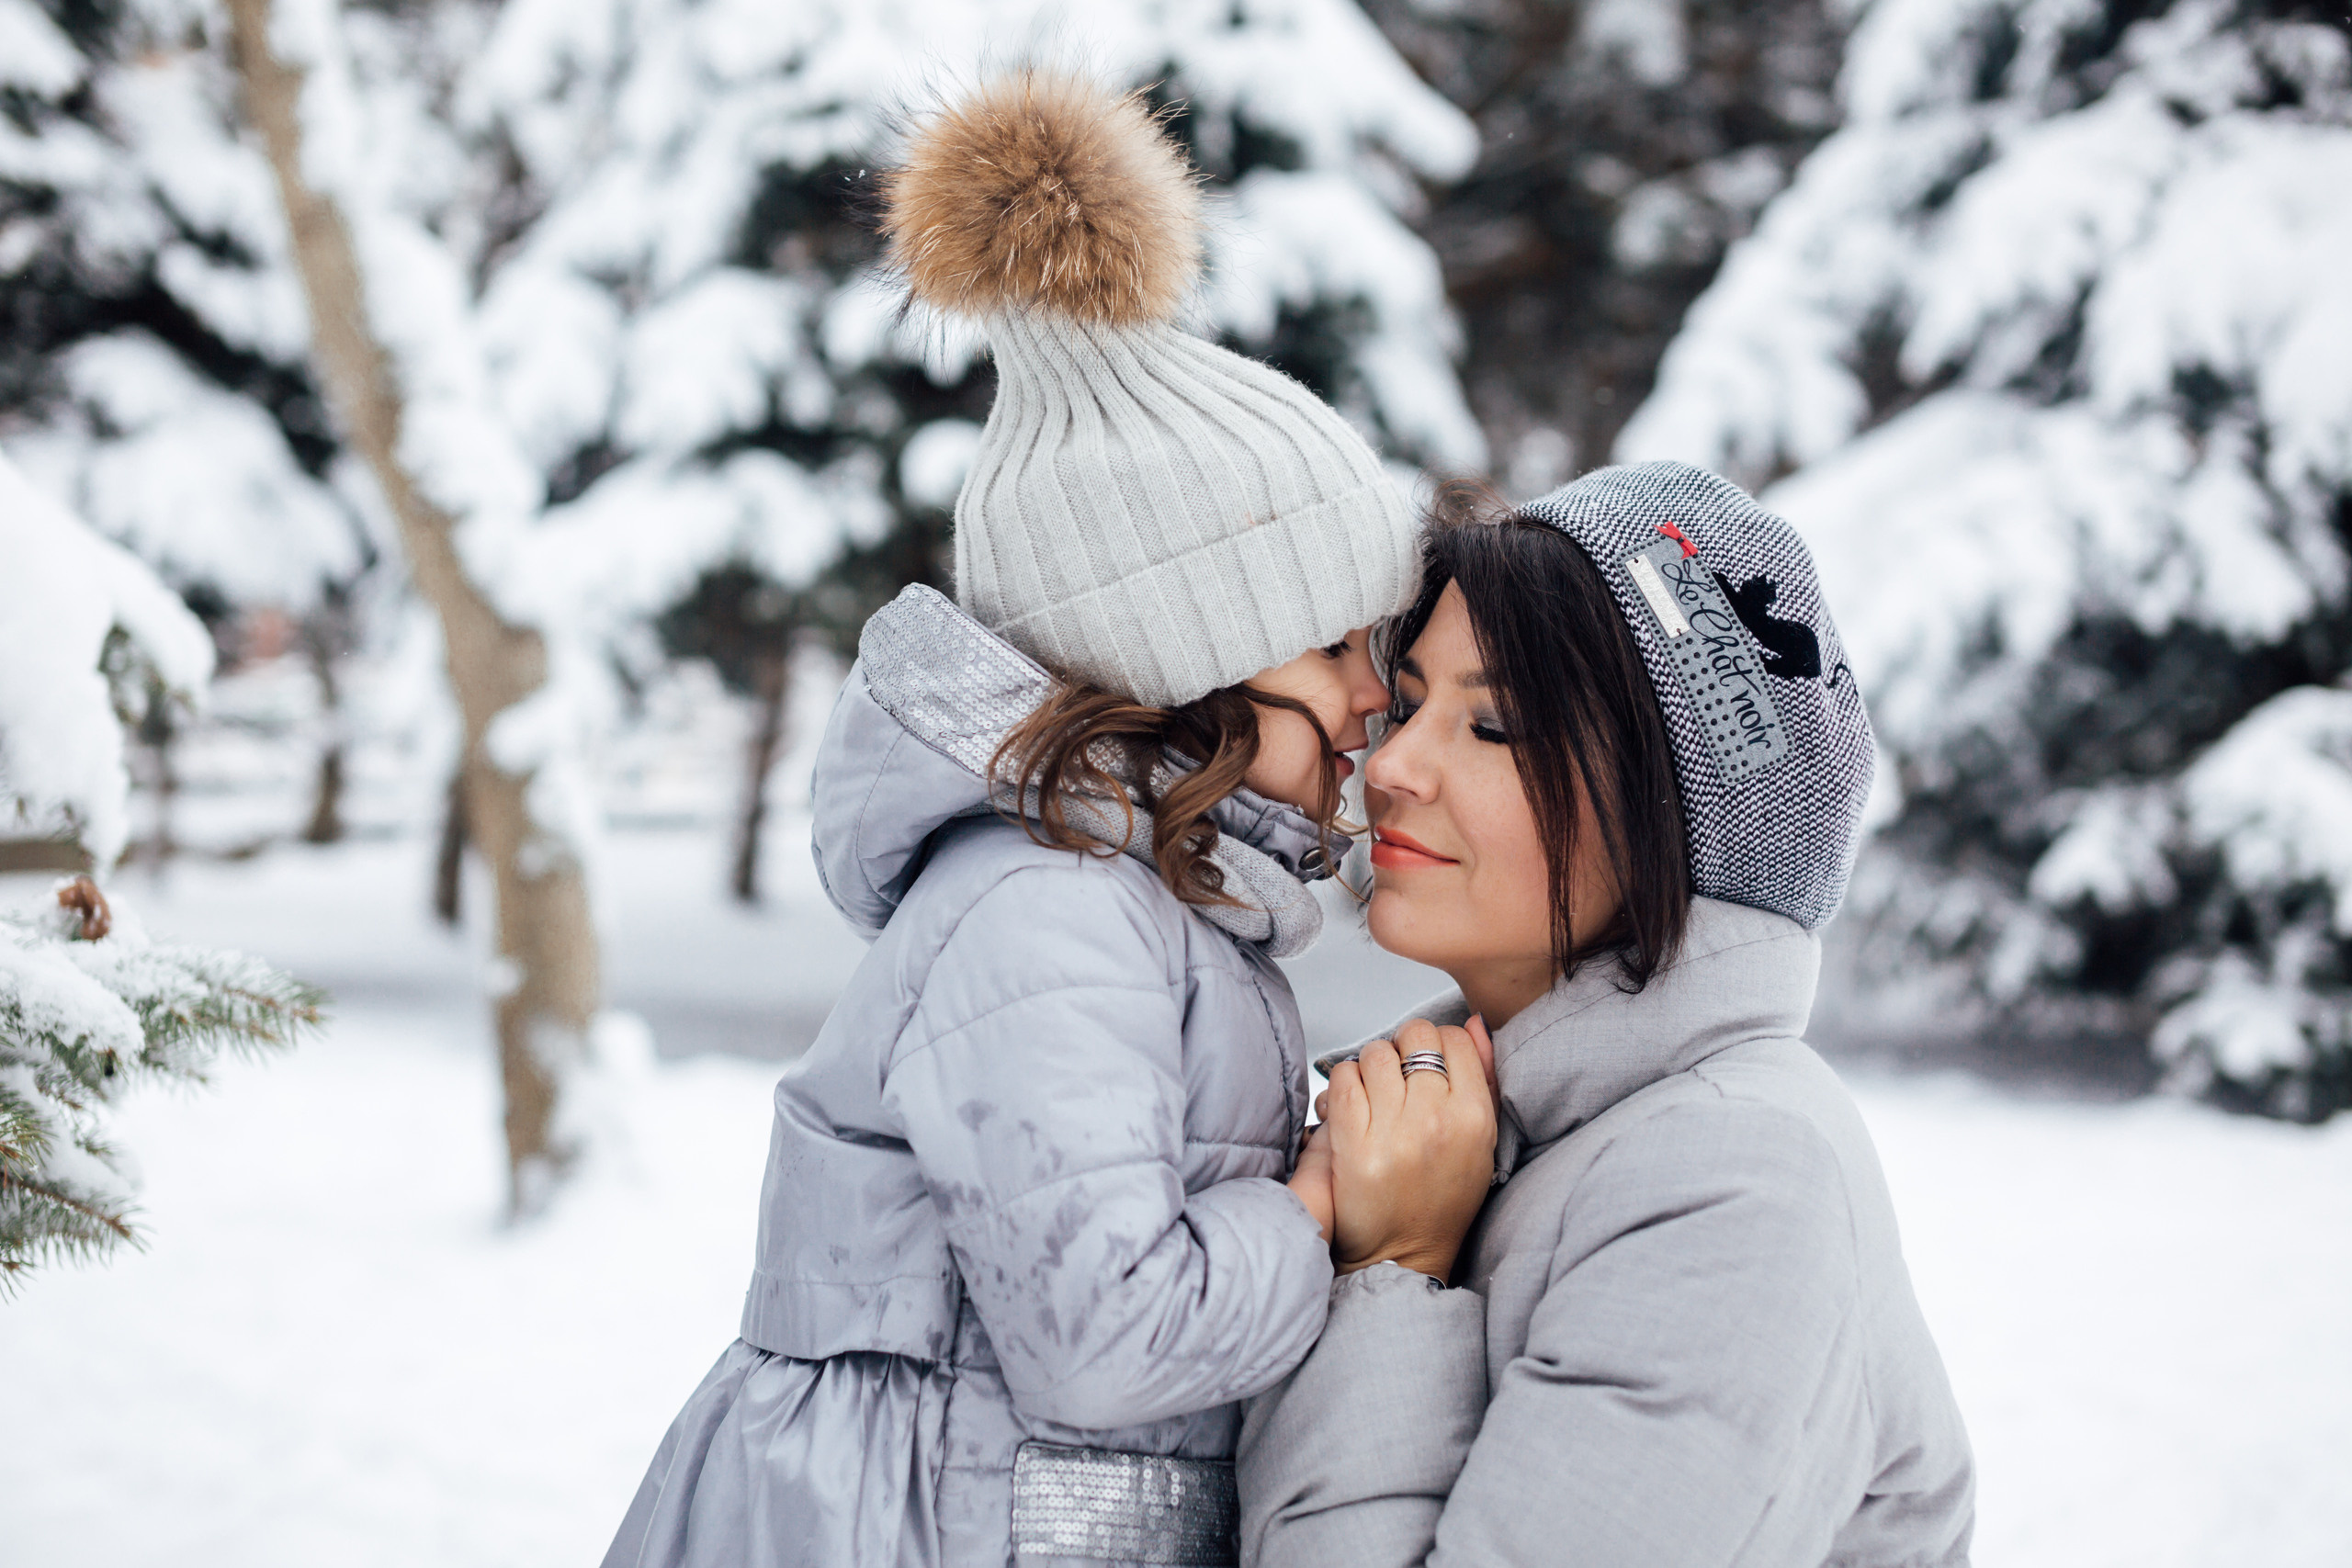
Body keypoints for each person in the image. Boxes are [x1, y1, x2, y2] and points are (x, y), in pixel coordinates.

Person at [602, 71, 1423, 1568]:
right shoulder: (1054, 904)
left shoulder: (1149, 900)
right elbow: (1106, 1334)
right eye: (1333, 645)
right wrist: (1327, 1201)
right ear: (1191, 654)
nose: (1378, 694)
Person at [1238, 467, 1977, 1567]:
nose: (1390, 765)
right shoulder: (1487, 1121)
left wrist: (1392, 1269)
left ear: (1674, 810)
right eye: (1408, 703)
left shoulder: (1734, 1185)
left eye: (1493, 726)